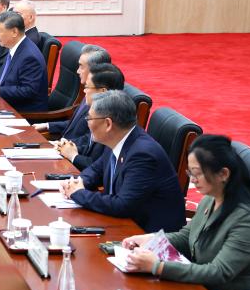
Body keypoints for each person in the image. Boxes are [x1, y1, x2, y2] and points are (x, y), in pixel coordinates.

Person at [121, 135, 250, 290]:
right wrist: (152, 239)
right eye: (190, 173)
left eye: (197, 174)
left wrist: (157, 266)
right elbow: (187, 237)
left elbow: (219, 272)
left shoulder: (249, 220)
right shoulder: (211, 198)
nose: (193, 181)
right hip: (201, 288)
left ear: (223, 174)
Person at [61, 90, 185, 233]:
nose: (87, 123)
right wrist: (78, 182)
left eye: (89, 118)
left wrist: (78, 193)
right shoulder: (119, 137)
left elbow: (122, 205)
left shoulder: (142, 154)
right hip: (121, 224)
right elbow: (96, 170)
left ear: (108, 124)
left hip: (146, 235)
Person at [0, 10, 49, 111]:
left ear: (14, 32)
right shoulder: (16, 47)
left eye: (0, 31)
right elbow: (10, 76)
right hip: (8, 102)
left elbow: (28, 91)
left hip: (23, 111)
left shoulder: (29, 56)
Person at [54, 63, 125, 171]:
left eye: (87, 87)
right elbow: (89, 144)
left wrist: (73, 156)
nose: (84, 91)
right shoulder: (101, 112)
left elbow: (101, 168)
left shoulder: (112, 123)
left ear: (102, 92)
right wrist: (67, 147)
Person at [0, 0, 40, 80]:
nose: (13, 17)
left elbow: (11, 71)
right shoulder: (18, 36)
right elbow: (2, 63)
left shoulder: (30, 40)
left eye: (17, 14)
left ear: (31, 17)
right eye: (13, 13)